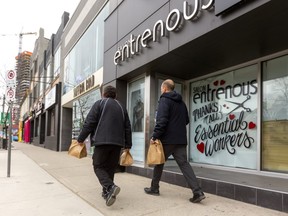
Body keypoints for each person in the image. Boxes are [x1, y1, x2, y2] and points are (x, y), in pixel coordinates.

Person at [144, 79, 205, 203]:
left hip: (167, 140)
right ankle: (197, 192)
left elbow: (161, 121)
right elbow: (186, 120)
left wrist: (154, 136)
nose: (161, 90)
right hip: (181, 139)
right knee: (184, 165)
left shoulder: (164, 100)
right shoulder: (181, 103)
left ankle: (154, 188)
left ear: (165, 88)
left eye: (162, 88)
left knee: (159, 162)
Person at [77, 85, 132, 206]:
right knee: (110, 168)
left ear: (104, 94)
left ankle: (110, 186)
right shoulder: (122, 107)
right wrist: (128, 144)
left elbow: (89, 122)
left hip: (102, 142)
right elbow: (128, 127)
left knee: (98, 166)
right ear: (115, 95)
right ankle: (107, 193)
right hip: (117, 144)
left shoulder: (99, 103)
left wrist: (80, 139)